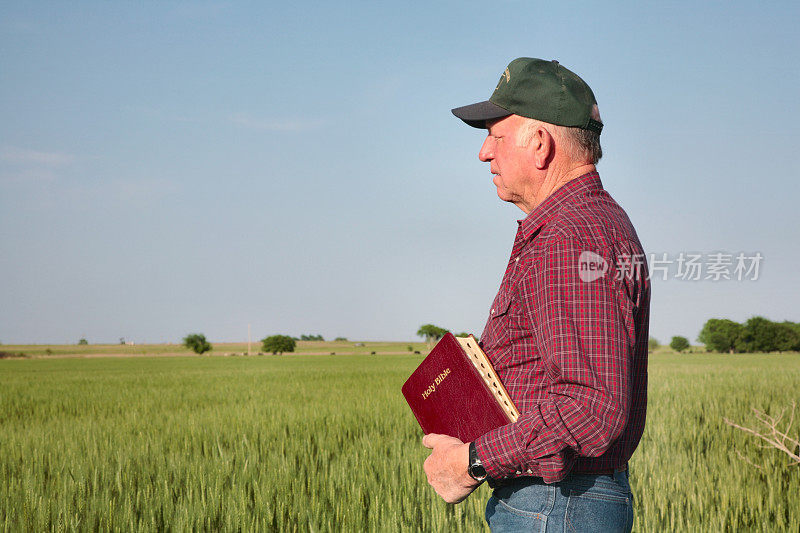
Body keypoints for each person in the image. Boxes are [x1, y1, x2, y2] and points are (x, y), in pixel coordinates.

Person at [421, 57, 650, 532]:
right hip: (557, 504)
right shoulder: (583, 225)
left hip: (558, 505)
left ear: (540, 143)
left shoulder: (571, 236)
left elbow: (590, 408)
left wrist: (472, 461)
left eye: (496, 136)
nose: (484, 153)